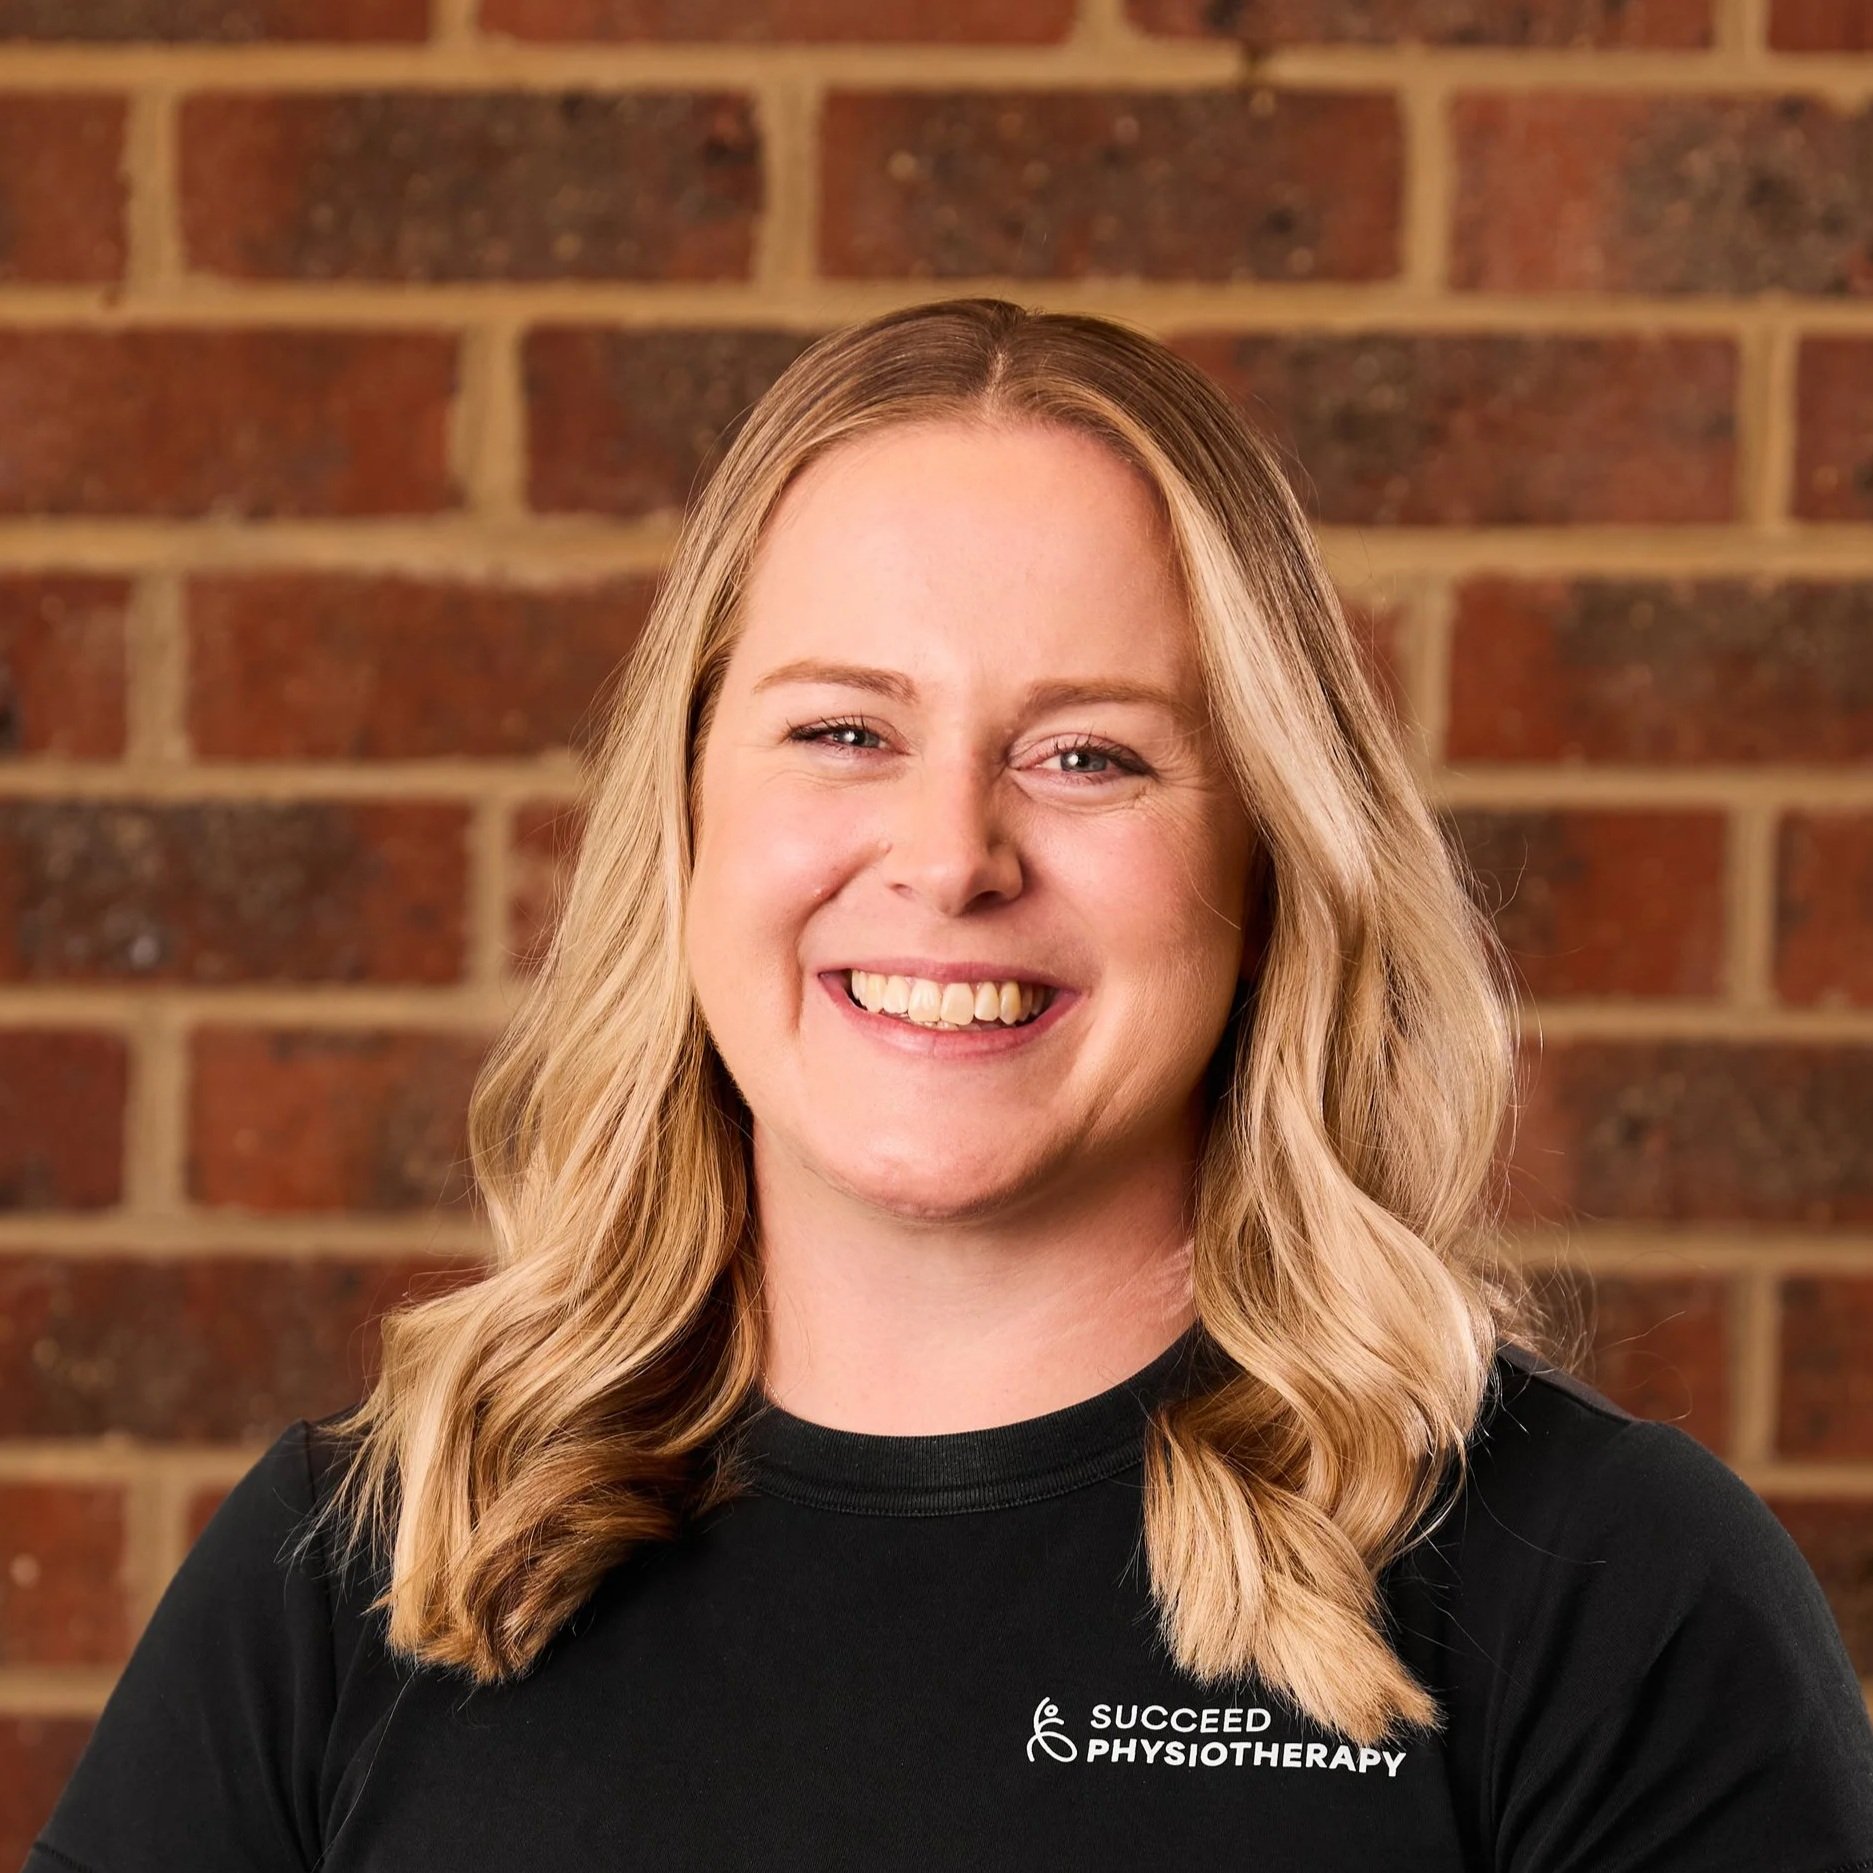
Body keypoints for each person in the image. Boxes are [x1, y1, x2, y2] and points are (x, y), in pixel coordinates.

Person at [24, 297, 1873, 1872]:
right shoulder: (361, 1569)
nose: (946, 854)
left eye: (1087, 755)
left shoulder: (1602, 1594)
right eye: (844, 730)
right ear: (684, 812)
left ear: (1268, 861)